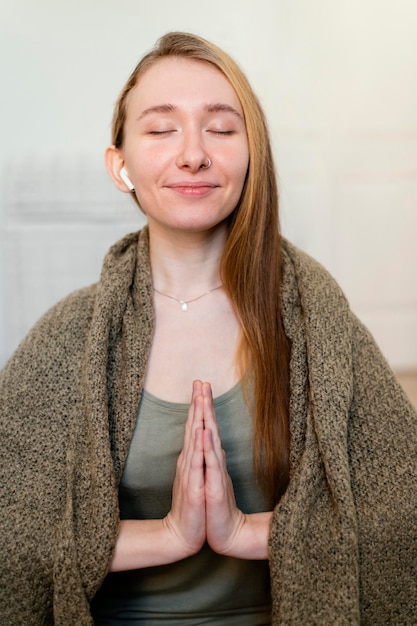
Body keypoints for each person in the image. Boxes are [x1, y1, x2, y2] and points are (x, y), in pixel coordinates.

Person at [0, 31, 416, 626]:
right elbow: (12, 534)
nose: (193, 153)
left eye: (221, 128)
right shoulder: (68, 336)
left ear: (253, 155)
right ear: (120, 165)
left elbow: (399, 512)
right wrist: (169, 536)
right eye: (161, 129)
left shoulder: (315, 320)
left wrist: (245, 532)